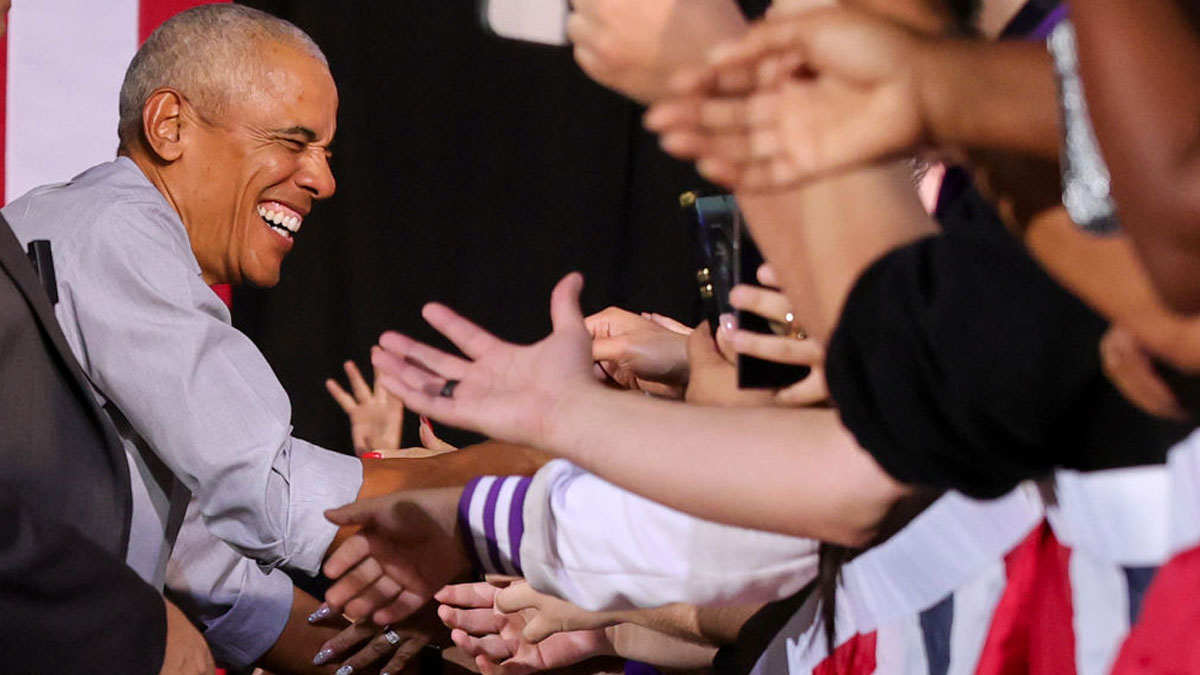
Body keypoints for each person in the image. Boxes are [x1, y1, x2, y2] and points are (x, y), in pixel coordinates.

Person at [0, 2, 212, 672]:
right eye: (293, 143)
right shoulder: (112, 226)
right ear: (170, 125)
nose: (321, 177)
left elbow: (203, 547)